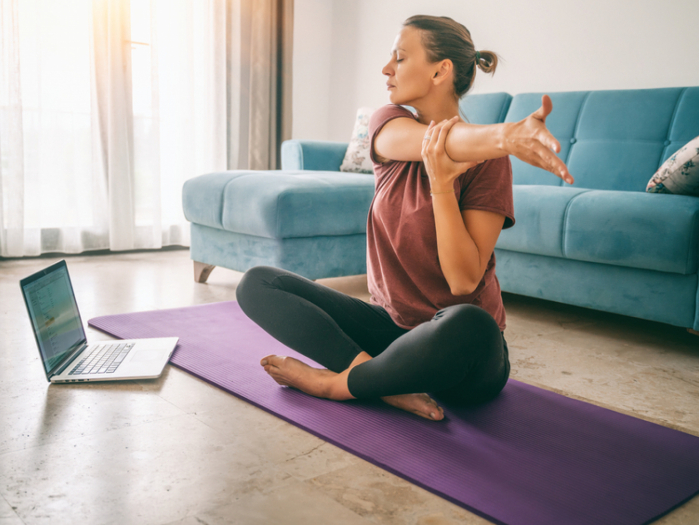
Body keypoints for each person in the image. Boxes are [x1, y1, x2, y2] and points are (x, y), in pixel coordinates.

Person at [236, 15, 573, 421]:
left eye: (399, 57)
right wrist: (505, 136)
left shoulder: (490, 165)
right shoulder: (388, 122)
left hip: (458, 352)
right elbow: (440, 142)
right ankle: (374, 378)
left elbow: (464, 280)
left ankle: (336, 384)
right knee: (258, 283)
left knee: (470, 323)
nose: (386, 69)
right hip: (390, 331)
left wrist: (443, 187)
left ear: (439, 70)